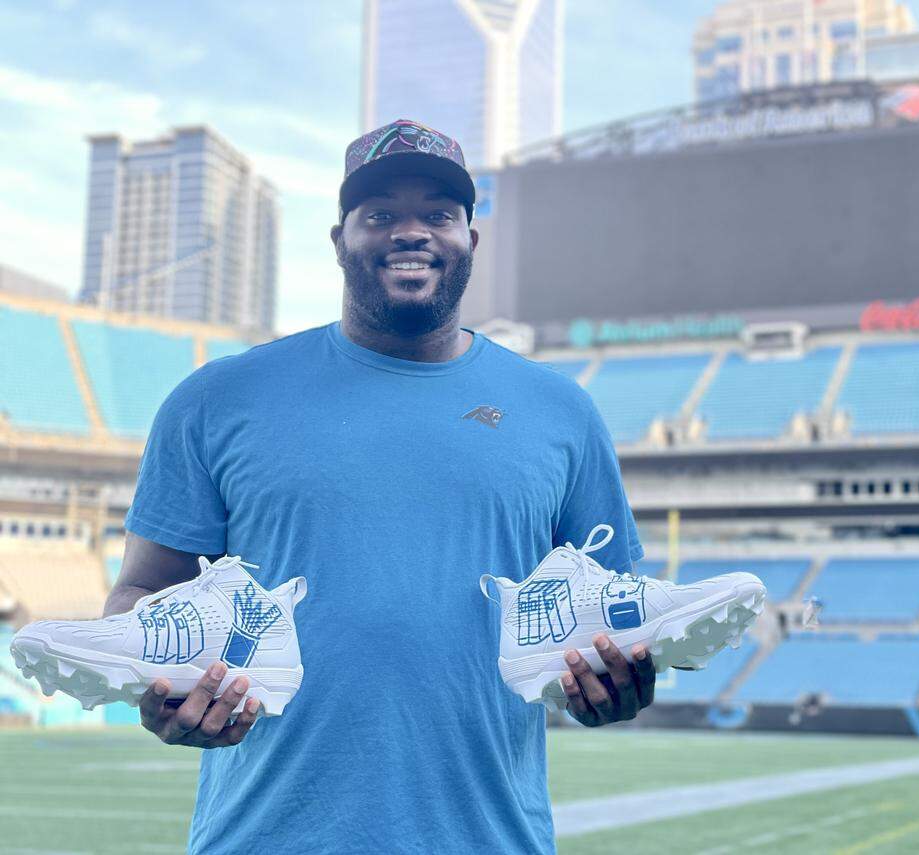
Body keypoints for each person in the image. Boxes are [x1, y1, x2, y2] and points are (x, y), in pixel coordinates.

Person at [104, 119, 654, 854]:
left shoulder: (561, 412)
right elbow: (141, 591)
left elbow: (618, 613)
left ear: (470, 240)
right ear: (340, 241)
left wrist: (614, 682)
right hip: (264, 837)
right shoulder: (218, 399)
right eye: (380, 215)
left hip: (489, 838)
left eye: (437, 213)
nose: (410, 232)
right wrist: (159, 685)